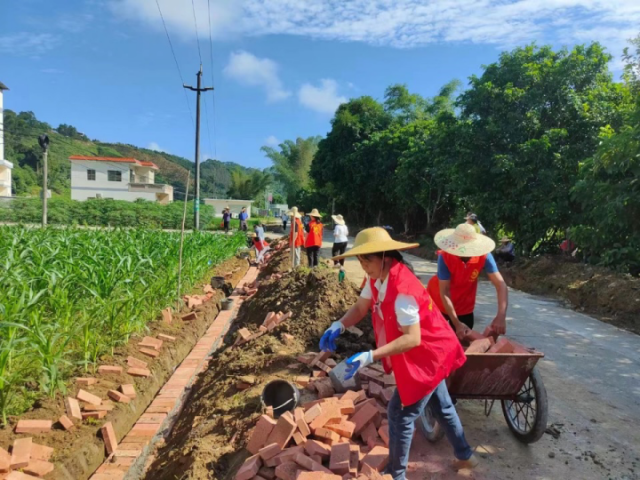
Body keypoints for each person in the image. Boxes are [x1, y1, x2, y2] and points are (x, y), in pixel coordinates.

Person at [319, 227, 478, 479]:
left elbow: (412, 338)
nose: (363, 266)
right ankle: (465, 455)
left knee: (400, 413)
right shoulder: (376, 278)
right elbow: (361, 307)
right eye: (360, 260)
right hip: (426, 350)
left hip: (429, 354)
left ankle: (397, 474)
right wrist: (339, 324)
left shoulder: (403, 289)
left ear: (384, 256)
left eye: (366, 260)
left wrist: (371, 356)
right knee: (442, 406)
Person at [427, 223, 509, 340]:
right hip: (439, 303)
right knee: (438, 341)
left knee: (464, 343)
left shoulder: (484, 256)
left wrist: (501, 315)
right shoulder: (445, 256)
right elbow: (444, 292)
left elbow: (500, 285)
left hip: (465, 304)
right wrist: (456, 323)